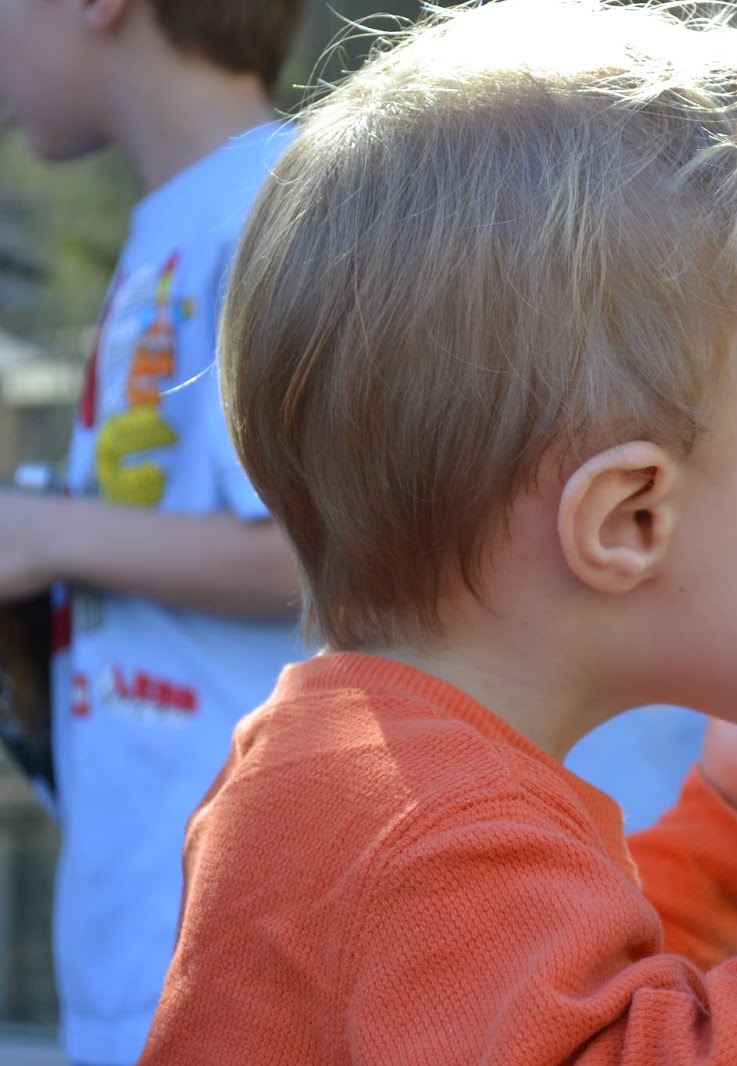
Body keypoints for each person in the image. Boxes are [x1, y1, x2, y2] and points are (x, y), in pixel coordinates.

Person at [138, 1, 737, 1061]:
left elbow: (533, 1017)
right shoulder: (429, 840)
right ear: (629, 519)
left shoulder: (359, 788)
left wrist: (717, 845)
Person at [0, 1, 307, 1062]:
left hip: (246, 946)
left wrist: (44, 535)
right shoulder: (178, 220)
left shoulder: (281, 205)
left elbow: (328, 549)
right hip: (147, 929)